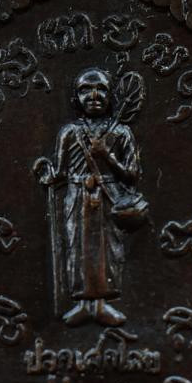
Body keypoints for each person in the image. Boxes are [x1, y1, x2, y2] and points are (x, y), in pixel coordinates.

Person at [34, 68, 141, 327]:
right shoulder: (69, 132)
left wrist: (106, 155)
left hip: (109, 196)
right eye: (85, 90)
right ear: (76, 98)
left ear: (110, 96)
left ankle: (103, 306)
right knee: (77, 249)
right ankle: (83, 305)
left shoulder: (122, 132)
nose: (94, 96)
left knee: (108, 251)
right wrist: (47, 174)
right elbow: (60, 172)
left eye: (101, 89)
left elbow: (132, 174)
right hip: (77, 196)